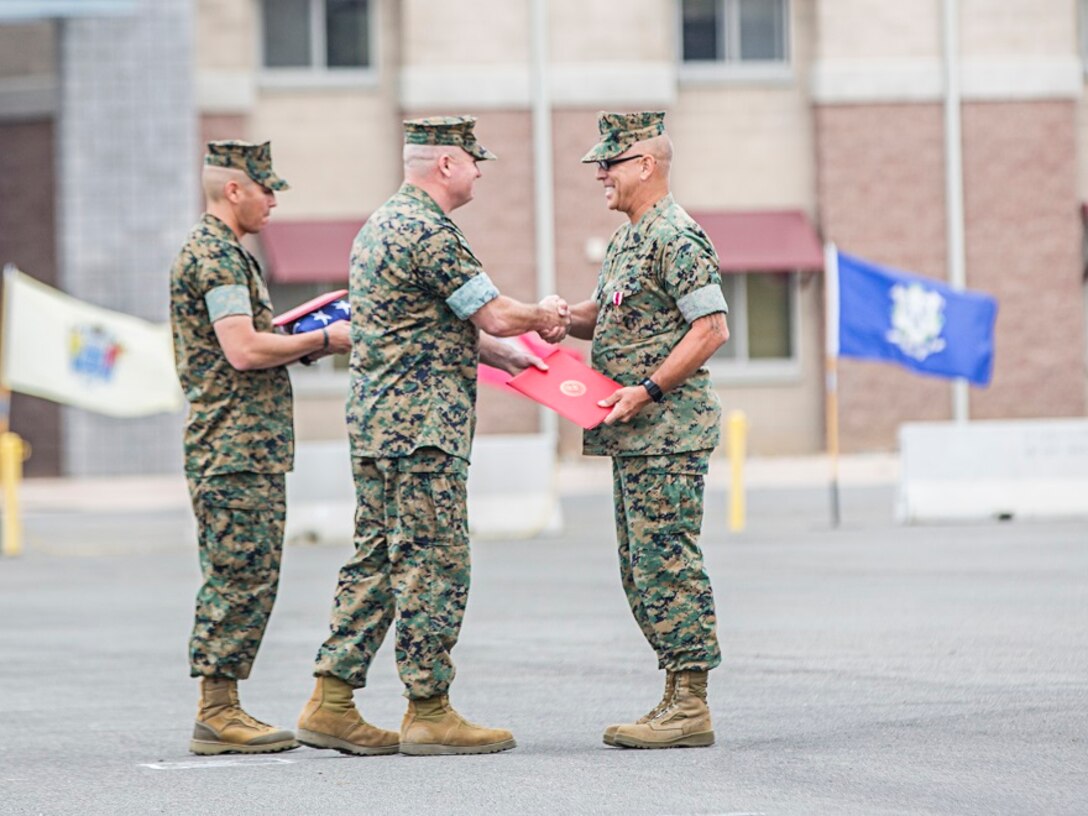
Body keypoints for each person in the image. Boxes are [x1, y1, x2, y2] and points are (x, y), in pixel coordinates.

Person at [296, 116, 570, 757]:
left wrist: (502, 356)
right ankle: (429, 710)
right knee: (433, 563)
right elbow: (496, 311)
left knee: (377, 558)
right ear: (446, 164)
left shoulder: (381, 226)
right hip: (424, 431)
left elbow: (421, 322)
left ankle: (331, 700)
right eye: (475, 161)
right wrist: (544, 314)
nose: (480, 171)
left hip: (377, 425)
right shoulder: (430, 230)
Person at [170, 140, 351, 755]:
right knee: (238, 576)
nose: (274, 200)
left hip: (243, 445)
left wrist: (306, 340)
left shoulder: (226, 255)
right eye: (267, 188)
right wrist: (325, 336)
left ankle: (223, 705)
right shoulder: (218, 259)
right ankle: (217, 711)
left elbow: (250, 340)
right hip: (233, 447)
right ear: (233, 190)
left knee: (249, 574)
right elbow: (243, 350)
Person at [564, 111, 729, 749]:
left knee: (667, 563)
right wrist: (557, 319)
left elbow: (710, 328)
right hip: (634, 436)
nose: (600, 174)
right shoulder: (629, 240)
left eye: (609, 163)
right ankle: (674, 693)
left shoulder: (677, 236)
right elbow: (608, 320)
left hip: (667, 430)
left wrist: (652, 388)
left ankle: (691, 704)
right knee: (640, 566)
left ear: (645, 165)